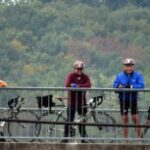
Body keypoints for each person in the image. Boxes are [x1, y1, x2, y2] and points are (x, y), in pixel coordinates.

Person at [113, 58, 144, 141]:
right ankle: (126, 140)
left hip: (133, 99)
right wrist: (118, 86)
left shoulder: (138, 75)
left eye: (130, 66)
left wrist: (132, 87)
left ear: (133, 67)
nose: (129, 68)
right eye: (127, 66)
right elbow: (115, 85)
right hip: (123, 99)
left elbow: (141, 85)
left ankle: (139, 139)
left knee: (135, 118)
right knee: (125, 118)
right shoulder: (119, 76)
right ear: (124, 67)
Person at [62, 60, 91, 143]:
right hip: (72, 101)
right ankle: (65, 137)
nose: (79, 71)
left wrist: (77, 86)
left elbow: (88, 85)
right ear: (74, 69)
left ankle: (83, 138)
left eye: (80, 69)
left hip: (82, 102)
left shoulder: (85, 77)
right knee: (69, 119)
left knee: (82, 120)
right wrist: (80, 87)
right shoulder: (70, 76)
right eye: (77, 69)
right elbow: (67, 84)